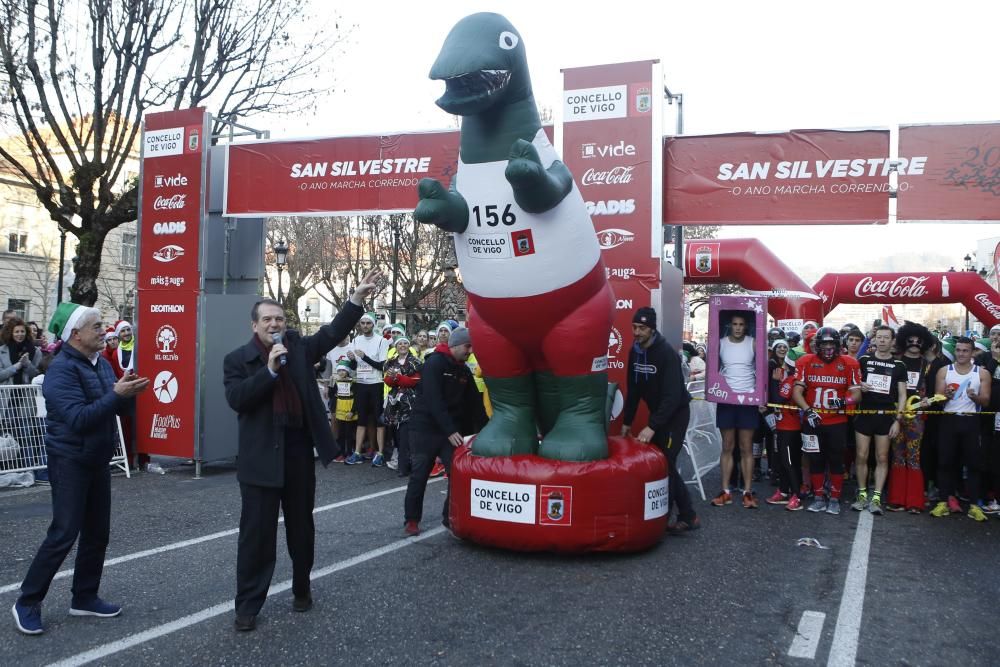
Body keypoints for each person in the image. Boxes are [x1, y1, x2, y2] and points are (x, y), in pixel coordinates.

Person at [223, 269, 380, 632]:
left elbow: (332, 333)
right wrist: (270, 371)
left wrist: (355, 299)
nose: (274, 324)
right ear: (255, 326)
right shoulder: (238, 360)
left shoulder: (300, 348)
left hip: (296, 452)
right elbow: (238, 400)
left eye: (279, 318)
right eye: (267, 319)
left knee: (301, 529)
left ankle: (301, 588)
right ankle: (247, 605)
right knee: (256, 536)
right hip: (260, 457)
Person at [11, 303, 149, 635]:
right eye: (97, 326)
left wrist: (130, 391)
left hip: (97, 458)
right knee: (64, 533)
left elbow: (115, 408)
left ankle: (84, 597)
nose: (105, 331)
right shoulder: (60, 370)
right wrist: (117, 394)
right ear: (76, 334)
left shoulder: (100, 364)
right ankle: (27, 601)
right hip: (70, 460)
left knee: (97, 533)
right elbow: (78, 419)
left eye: (103, 326)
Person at [621, 307, 700, 532]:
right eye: (635, 327)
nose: (637, 332)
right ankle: (674, 514)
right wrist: (627, 422)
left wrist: (652, 426)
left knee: (666, 462)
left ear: (652, 329)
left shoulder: (666, 353)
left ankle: (684, 515)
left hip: (675, 414)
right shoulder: (634, 352)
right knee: (664, 465)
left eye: (642, 328)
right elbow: (634, 390)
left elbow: (673, 396)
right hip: (659, 415)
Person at [403, 327, 485, 536]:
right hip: (425, 428)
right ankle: (411, 520)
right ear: (456, 345)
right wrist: (449, 430)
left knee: (456, 475)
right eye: (468, 346)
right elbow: (433, 400)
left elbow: (475, 405)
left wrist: (487, 430)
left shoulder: (463, 369)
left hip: (450, 432)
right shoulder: (435, 363)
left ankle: (448, 517)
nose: (471, 350)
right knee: (419, 475)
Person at [791, 327, 861, 515]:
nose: (828, 348)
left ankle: (835, 498)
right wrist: (808, 411)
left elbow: (857, 394)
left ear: (838, 345)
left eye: (832, 344)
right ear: (818, 345)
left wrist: (843, 401)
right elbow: (796, 392)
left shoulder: (849, 363)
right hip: (813, 420)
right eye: (825, 344)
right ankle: (819, 497)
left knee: (836, 460)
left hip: (837, 422)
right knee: (816, 459)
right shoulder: (806, 361)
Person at [929, 337, 991, 522]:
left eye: (965, 350)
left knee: (973, 464)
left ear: (972, 353)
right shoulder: (944, 371)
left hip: (971, 422)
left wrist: (975, 397)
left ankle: (973, 505)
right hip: (949, 421)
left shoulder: (981, 373)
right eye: (958, 350)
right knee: (945, 462)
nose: (961, 354)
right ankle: (943, 502)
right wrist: (945, 396)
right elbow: (938, 400)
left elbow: (986, 401)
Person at [851, 326, 908, 515]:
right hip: (865, 414)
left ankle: (876, 497)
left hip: (886, 416)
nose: (882, 341)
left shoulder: (899, 365)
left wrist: (898, 420)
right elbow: (852, 385)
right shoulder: (864, 360)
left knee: (882, 457)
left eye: (886, 338)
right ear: (874, 339)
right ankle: (861, 494)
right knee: (861, 455)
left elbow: (902, 395)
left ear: (892, 341)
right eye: (879, 337)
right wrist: (860, 386)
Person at [711, 313, 760, 509]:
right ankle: (726, 491)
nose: (738, 327)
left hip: (748, 400)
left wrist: (760, 395)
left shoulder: (753, 343)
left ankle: (747, 492)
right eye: (735, 324)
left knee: (746, 447)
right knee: (727, 446)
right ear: (730, 326)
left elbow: (762, 369)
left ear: (746, 326)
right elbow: (713, 370)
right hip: (726, 399)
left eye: (741, 325)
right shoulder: (721, 343)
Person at [887, 322, 934, 513]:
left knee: (914, 457)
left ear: (923, 342)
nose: (914, 343)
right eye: (910, 340)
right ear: (904, 341)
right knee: (897, 456)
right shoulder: (895, 361)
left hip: (917, 417)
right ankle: (897, 499)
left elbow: (933, 391)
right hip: (895, 415)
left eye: (918, 341)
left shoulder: (928, 365)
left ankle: (914, 501)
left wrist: (929, 401)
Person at [345, 312, 390, 466]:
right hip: (361, 383)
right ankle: (357, 452)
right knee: (361, 419)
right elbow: (354, 366)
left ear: (373, 324)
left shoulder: (382, 341)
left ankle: (380, 453)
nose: (365, 326)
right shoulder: (356, 340)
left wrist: (365, 357)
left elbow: (383, 366)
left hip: (376, 383)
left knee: (379, 419)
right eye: (363, 323)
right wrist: (352, 360)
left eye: (368, 323)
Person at [383, 335, 421, 475]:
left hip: (410, 402)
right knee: (397, 434)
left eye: (405, 343)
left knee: (406, 434)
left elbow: (415, 380)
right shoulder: (391, 362)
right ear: (396, 347)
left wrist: (398, 378)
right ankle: (402, 463)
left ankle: (404, 467)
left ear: (409, 345)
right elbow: (387, 381)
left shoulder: (415, 361)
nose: (403, 346)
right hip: (395, 403)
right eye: (400, 344)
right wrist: (393, 378)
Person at [0, 316, 43, 386]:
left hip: (26, 395)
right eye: (16, 332)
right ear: (11, 334)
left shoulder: (36, 351)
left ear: (26, 332)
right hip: (6, 394)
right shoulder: (1, 351)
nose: (20, 334)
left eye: (22, 331)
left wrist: (27, 364)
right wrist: (15, 367)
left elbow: (38, 376)